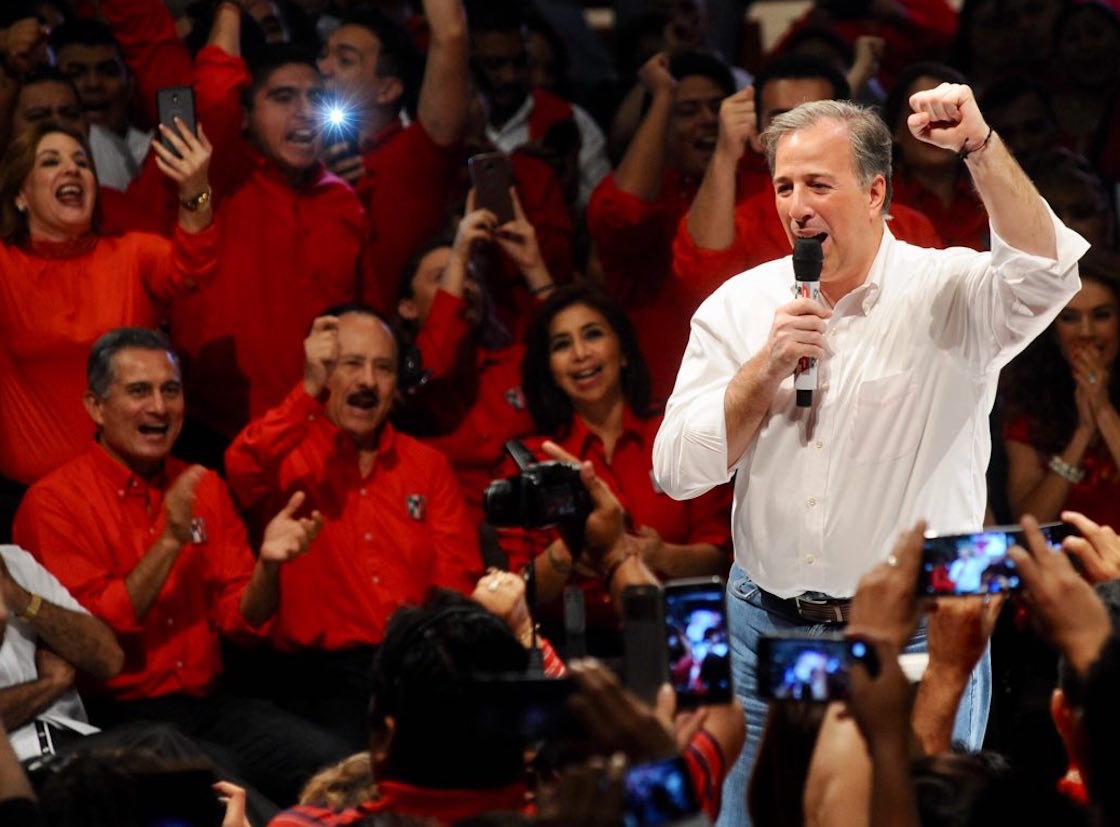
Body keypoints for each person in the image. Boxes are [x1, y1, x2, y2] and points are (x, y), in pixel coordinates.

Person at [652, 85, 1089, 827]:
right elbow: (676, 469)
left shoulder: (948, 288)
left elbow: (1047, 274)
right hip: (763, 620)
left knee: (909, 817)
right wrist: (761, 372)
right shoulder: (739, 306)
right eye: (785, 185)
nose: (796, 204)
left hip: (918, 632)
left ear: (876, 190)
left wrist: (979, 148)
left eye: (818, 184)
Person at [11, 327, 344, 805]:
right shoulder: (54, 503)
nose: (160, 408)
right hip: (117, 718)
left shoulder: (203, 484)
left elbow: (242, 622)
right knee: (224, 784)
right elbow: (98, 635)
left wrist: (269, 568)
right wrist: (169, 541)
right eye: (139, 391)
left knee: (335, 763)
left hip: (211, 704)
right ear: (95, 407)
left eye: (171, 390)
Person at [223, 305, 482, 749]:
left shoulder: (427, 465)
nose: (367, 381)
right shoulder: (285, 454)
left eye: (382, 368)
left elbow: (455, 582)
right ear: (324, 371)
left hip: (415, 670)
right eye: (351, 365)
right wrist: (306, 390)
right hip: (316, 681)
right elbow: (240, 469)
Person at [167, 7, 369, 464]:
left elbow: (363, 314)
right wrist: (231, 9)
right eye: (283, 97)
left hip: (319, 433)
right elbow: (215, 97)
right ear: (245, 116)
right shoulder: (217, 177)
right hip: (218, 433)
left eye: (316, 98)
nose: (305, 112)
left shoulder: (344, 203)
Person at [0, 119, 215, 532]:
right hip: (27, 501)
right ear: (21, 195)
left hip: (130, 496)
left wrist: (195, 190)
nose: (72, 169)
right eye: (50, 162)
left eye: (82, 161)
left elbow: (194, 267)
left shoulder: (131, 254)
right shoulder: (7, 269)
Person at [502, 284, 731, 655]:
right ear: (550, 370)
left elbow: (721, 560)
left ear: (623, 351)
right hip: (571, 652)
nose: (579, 354)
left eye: (592, 334)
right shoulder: (531, 458)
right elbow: (519, 587)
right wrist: (574, 546)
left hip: (684, 641)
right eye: (562, 344)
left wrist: (654, 555)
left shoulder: (677, 433)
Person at [673, 52, 941, 303]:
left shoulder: (908, 226)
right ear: (756, 133)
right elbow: (700, 286)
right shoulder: (740, 225)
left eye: (816, 115)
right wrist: (725, 150)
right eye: (783, 119)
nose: (800, 133)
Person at [393, 196, 554, 528]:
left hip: (534, 532)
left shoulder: (514, 362)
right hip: (453, 539)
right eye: (445, 275)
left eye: (469, 274)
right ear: (407, 307)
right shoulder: (399, 376)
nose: (463, 285)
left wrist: (533, 264)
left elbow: (567, 343)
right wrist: (462, 248)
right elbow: (432, 365)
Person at [317, 0, 468, 312]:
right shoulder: (295, 158)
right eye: (323, 55)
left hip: (396, 340)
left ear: (388, 90)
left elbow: (450, 33)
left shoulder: (418, 153)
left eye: (344, 60)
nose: (323, 68)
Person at [1001, 251, 1120, 526]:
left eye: (1101, 316)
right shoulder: (1026, 397)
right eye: (1070, 318)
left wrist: (1103, 411)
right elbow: (1030, 521)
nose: (1086, 332)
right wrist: (1083, 434)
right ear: (1052, 328)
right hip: (1062, 563)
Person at [465, 0, 609, 211]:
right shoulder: (444, 128)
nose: (509, 76)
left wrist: (564, 186)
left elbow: (602, 216)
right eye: (494, 65)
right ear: (467, 62)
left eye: (520, 62)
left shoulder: (571, 120)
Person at [0, 543, 123, 761]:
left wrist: (17, 595)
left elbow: (109, 659)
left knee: (171, 752)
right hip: (14, 768)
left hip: (82, 748)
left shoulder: (16, 561)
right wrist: (50, 685)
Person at [49, 19, 150, 190]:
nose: (94, 84)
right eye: (76, 74)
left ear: (130, 83)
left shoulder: (157, 155)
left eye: (108, 72)